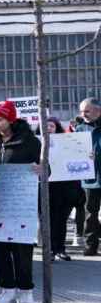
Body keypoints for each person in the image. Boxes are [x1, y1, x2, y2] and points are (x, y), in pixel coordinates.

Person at [0, 100, 41, 303]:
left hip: (21, 204)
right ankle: (7, 290)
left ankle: (26, 291)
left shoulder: (30, 142)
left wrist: (41, 170)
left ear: (10, 119)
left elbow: (47, 169)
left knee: (22, 249)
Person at [43, 117, 78, 262]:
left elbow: (77, 157)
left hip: (64, 186)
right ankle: (49, 250)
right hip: (47, 186)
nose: (49, 128)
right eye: (46, 126)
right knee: (49, 219)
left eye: (51, 126)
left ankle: (60, 249)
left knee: (61, 219)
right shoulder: (36, 142)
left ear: (56, 127)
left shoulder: (67, 142)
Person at [76, 97, 101, 256]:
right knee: (90, 213)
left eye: (87, 111)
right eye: (81, 111)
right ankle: (90, 245)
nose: (83, 114)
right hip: (90, 178)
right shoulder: (79, 129)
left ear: (98, 111)